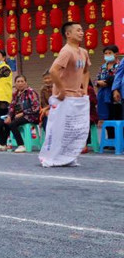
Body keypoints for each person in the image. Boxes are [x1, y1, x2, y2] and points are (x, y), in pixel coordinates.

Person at [43, 21, 91, 166]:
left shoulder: (83, 52)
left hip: (77, 96)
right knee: (60, 128)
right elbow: (53, 71)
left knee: (75, 129)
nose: (81, 33)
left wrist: (84, 88)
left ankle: (68, 157)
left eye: (82, 30)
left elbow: (86, 71)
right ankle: (52, 157)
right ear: (68, 34)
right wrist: (61, 89)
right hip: (63, 97)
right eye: (78, 30)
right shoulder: (67, 51)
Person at [0, 75, 40, 153]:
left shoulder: (31, 92)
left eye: (22, 81)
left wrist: (23, 113)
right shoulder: (15, 94)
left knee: (12, 124)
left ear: (26, 83)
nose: (20, 83)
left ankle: (21, 145)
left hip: (30, 116)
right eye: (18, 82)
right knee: (0, 122)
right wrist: (9, 116)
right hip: (17, 116)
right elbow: (11, 107)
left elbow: (36, 107)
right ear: (15, 84)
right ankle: (2, 144)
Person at [96, 45, 120, 122]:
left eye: (110, 53)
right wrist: (98, 82)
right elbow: (96, 79)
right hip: (103, 96)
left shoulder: (120, 66)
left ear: (116, 54)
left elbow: (119, 79)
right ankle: (110, 134)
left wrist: (107, 82)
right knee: (107, 119)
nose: (107, 55)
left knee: (117, 118)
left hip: (116, 95)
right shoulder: (102, 67)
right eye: (105, 53)